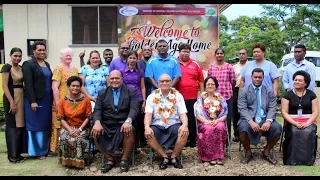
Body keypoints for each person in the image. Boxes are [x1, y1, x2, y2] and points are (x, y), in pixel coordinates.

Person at [91, 70, 139, 173]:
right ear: (108, 79)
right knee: (94, 133)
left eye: (117, 78)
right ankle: (110, 159)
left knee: (129, 130)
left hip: (124, 122)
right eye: (112, 78)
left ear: (122, 79)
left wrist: (128, 120)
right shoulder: (102, 93)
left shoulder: (131, 91)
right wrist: (97, 122)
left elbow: (134, 108)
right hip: (108, 123)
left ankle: (124, 159)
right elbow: (98, 110)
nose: (114, 80)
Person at [238, 68, 282, 165]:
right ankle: (248, 152)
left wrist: (268, 121)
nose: (257, 79)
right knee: (242, 129)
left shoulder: (269, 91)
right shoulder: (243, 91)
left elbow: (272, 107)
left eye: (260, 77)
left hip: (265, 118)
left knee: (277, 128)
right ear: (251, 77)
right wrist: (251, 121)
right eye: (255, 77)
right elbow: (242, 109)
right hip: (249, 119)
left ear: (263, 78)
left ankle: (266, 151)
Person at [144, 74, 189, 169]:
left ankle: (173, 157)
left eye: (167, 81)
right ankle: (164, 156)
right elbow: (148, 115)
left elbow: (183, 114)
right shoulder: (152, 96)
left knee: (184, 132)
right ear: (158, 83)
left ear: (171, 82)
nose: (165, 83)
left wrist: (185, 124)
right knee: (149, 133)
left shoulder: (178, 95)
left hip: (173, 124)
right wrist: (147, 127)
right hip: (157, 125)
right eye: (162, 81)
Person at [22, 41, 53, 160]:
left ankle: (44, 149)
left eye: (43, 50)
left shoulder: (47, 64)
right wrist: (32, 101)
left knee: (45, 125)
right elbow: (28, 84)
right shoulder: (28, 64)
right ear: (33, 51)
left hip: (47, 99)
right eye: (39, 50)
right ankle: (35, 151)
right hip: (35, 100)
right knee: (35, 125)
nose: (42, 52)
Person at [281, 70, 319, 165]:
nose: (296, 82)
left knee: (308, 131)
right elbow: (284, 112)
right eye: (295, 80)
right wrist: (294, 123)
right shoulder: (287, 95)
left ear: (305, 83)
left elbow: (316, 112)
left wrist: (307, 123)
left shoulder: (311, 95)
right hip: (292, 120)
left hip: (308, 120)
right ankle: (291, 160)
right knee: (294, 131)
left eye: (300, 80)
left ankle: (307, 160)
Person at [57, 76, 92, 169]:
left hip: (83, 127)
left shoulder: (86, 100)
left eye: (77, 86)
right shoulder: (62, 100)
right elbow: (61, 118)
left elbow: (89, 117)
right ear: (68, 87)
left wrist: (79, 129)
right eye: (73, 86)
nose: (75, 88)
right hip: (67, 127)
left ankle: (79, 162)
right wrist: (70, 130)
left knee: (78, 138)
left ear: (80, 87)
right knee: (64, 137)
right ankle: (67, 161)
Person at [50, 47, 79, 153]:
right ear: (61, 57)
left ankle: (70, 147)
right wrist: (57, 103)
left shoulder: (75, 70)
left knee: (71, 123)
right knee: (59, 124)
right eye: (66, 55)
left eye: (70, 55)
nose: (68, 57)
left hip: (72, 102)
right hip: (61, 102)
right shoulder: (59, 69)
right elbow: (54, 87)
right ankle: (57, 148)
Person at [1, 47, 27, 163]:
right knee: (12, 126)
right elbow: (5, 86)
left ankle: (18, 153)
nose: (17, 58)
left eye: (19, 56)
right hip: (11, 97)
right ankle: (12, 155)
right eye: (15, 56)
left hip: (21, 97)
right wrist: (11, 102)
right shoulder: (6, 67)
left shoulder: (21, 68)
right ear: (10, 55)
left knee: (20, 125)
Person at [176, 43, 204, 147]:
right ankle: (183, 139)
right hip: (179, 97)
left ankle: (192, 139)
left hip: (193, 97)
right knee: (181, 118)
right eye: (183, 51)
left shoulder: (195, 64)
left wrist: (202, 94)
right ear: (179, 52)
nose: (186, 53)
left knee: (192, 118)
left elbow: (201, 80)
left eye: (187, 51)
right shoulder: (174, 63)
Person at [195, 76, 228, 165]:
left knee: (221, 126)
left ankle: (218, 156)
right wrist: (207, 122)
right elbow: (197, 114)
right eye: (208, 84)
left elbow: (225, 114)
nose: (210, 86)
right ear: (205, 86)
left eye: (212, 84)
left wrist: (217, 121)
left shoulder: (221, 98)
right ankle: (210, 157)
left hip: (218, 121)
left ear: (215, 86)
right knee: (209, 129)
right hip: (204, 122)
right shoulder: (200, 98)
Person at [120, 50, 147, 148]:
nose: (132, 60)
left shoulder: (140, 71)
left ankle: (140, 143)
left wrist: (144, 101)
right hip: (126, 100)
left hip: (138, 99)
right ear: (127, 59)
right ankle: (130, 144)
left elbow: (143, 87)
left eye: (134, 58)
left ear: (137, 59)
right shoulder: (122, 71)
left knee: (140, 121)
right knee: (131, 121)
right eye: (130, 58)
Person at [208, 48, 236, 140]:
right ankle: (216, 139)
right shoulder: (211, 67)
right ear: (215, 55)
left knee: (227, 119)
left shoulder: (229, 67)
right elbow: (209, 81)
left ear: (224, 55)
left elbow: (233, 81)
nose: (219, 55)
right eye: (218, 53)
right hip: (215, 98)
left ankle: (226, 140)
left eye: (221, 53)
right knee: (214, 118)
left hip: (227, 97)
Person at [232, 48, 249, 142]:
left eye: (243, 53)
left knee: (246, 111)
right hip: (236, 90)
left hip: (248, 90)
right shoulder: (234, 67)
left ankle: (247, 133)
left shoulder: (251, 66)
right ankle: (236, 134)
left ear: (247, 55)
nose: (241, 55)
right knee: (235, 113)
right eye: (240, 53)